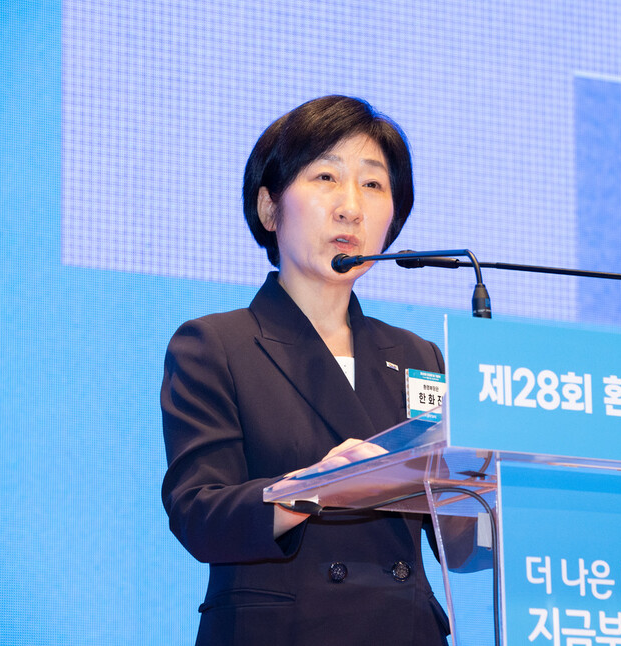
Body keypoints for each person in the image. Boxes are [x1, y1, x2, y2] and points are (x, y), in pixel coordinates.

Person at [161, 95, 451, 645]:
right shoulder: (215, 345)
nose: (351, 207)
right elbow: (199, 514)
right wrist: (317, 487)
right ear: (270, 209)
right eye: (325, 177)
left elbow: (458, 536)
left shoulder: (419, 358)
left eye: (373, 185)